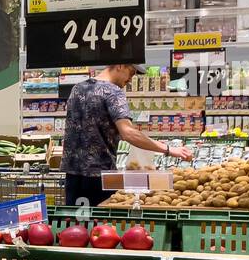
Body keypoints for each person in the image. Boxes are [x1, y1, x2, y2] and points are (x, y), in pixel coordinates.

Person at [62, 63, 194, 207]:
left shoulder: (77, 89)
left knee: (74, 225)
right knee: (99, 226)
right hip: (99, 176)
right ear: (120, 65)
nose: (131, 79)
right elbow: (128, 133)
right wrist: (168, 149)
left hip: (73, 174)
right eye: (131, 73)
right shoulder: (113, 92)